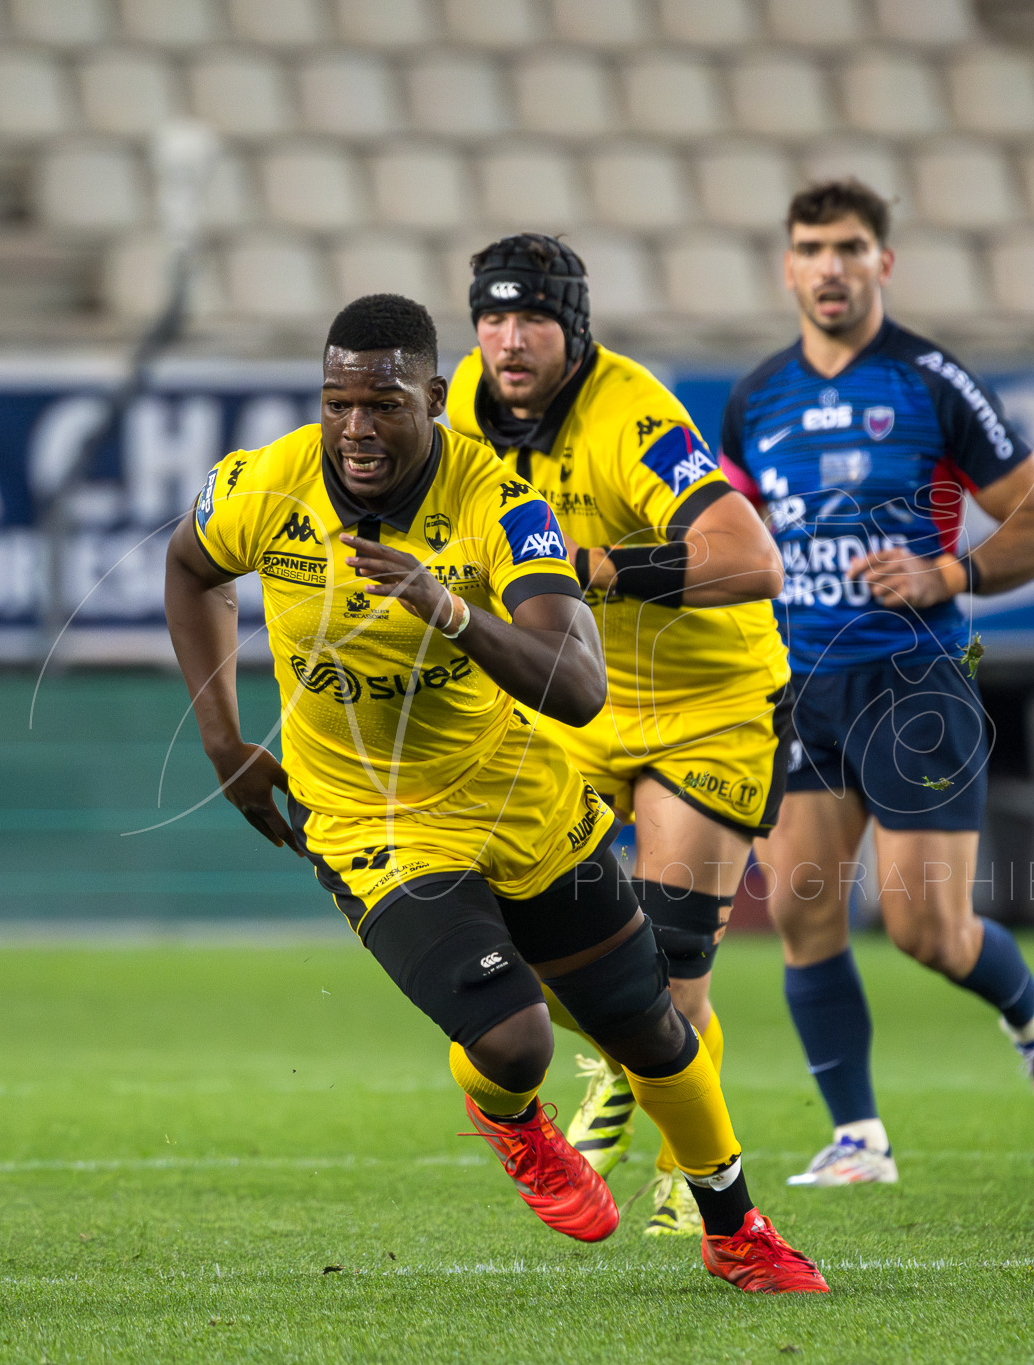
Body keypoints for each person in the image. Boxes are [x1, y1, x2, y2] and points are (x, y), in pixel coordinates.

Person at [163, 293, 826, 1292]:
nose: (355, 428)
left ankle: (735, 1230)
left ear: (433, 399)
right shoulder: (264, 484)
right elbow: (188, 566)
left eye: (383, 405)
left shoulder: (499, 505)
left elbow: (579, 684)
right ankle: (511, 1117)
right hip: (370, 819)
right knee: (516, 1040)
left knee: (650, 1024)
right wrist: (222, 742)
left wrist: (448, 610)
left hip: (518, 798)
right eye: (337, 403)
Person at [719, 179, 1034, 1187]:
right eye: (810, 248)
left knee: (927, 930)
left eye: (848, 247)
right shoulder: (754, 398)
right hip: (799, 687)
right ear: (787, 267)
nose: (829, 266)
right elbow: (735, 542)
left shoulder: (931, 382)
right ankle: (859, 1139)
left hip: (912, 680)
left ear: (881, 262)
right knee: (802, 913)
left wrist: (948, 573)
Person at [444, 234, 791, 1235]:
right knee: (514, 937)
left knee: (668, 970)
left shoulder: (632, 414)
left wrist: (590, 565)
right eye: (493, 318)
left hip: (706, 705)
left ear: (575, 326)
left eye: (533, 319)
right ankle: (623, 1055)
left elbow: (751, 559)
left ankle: (692, 1167)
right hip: (577, 704)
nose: (510, 341)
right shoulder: (460, 404)